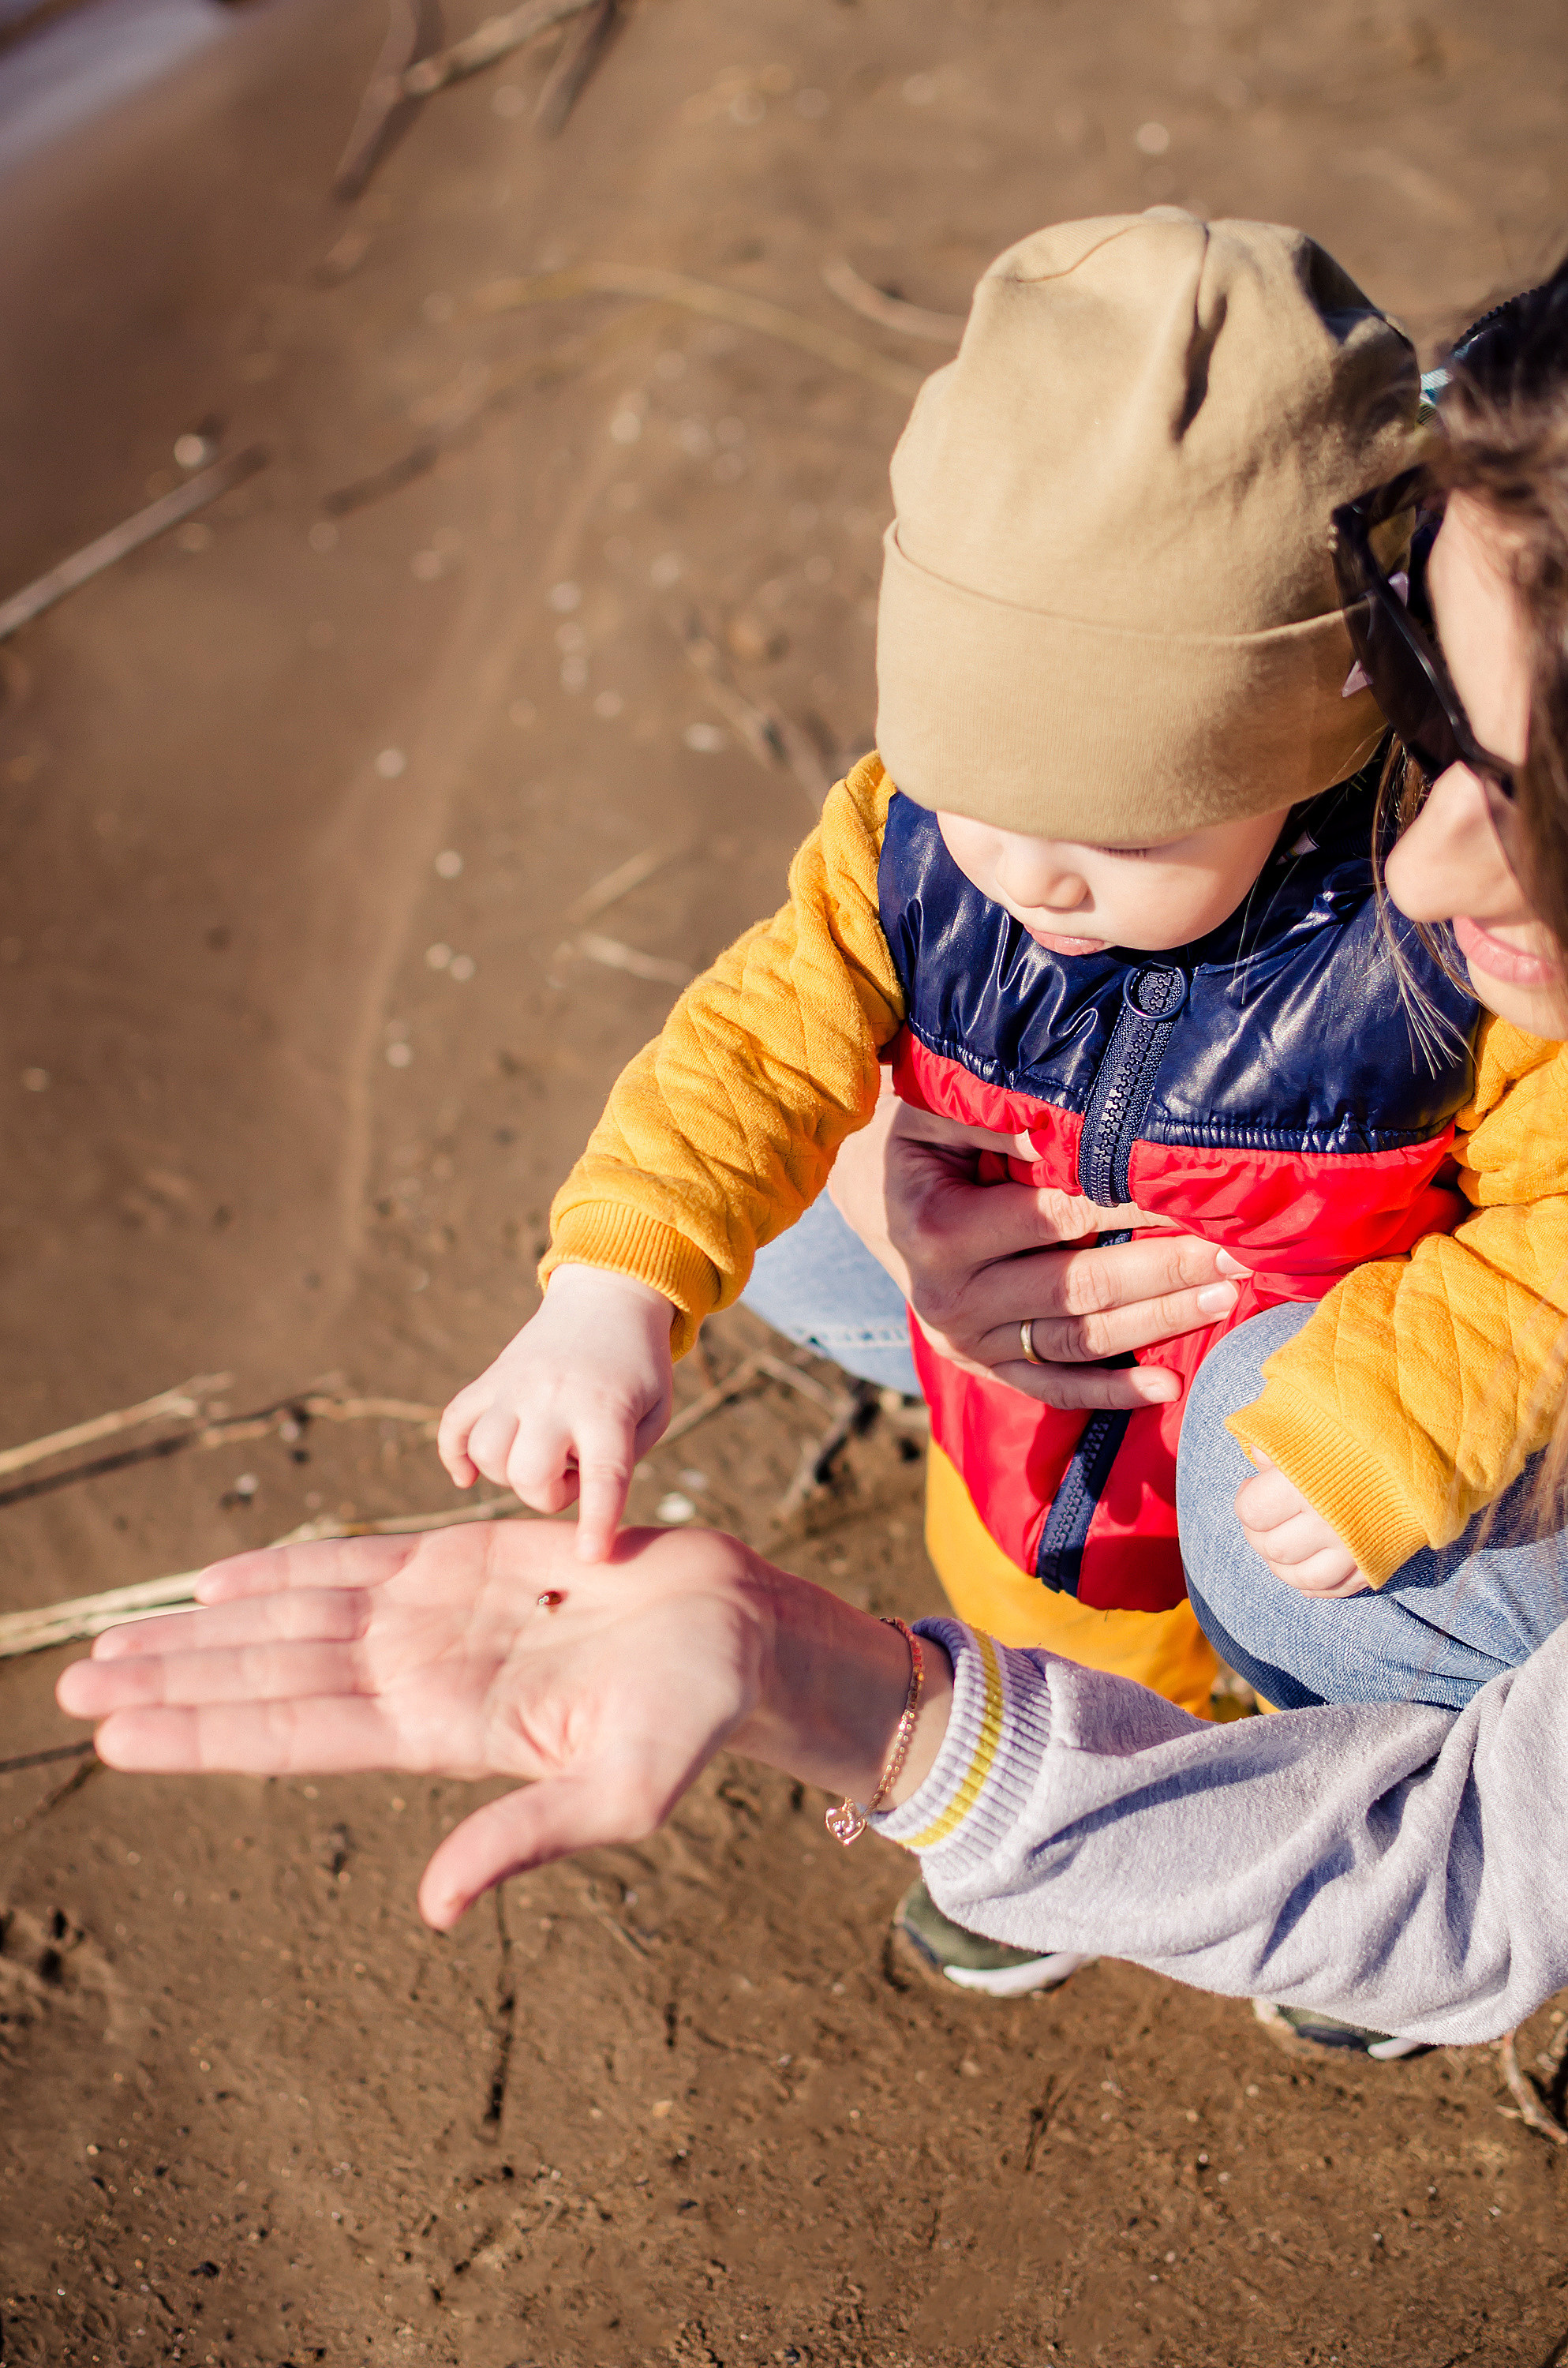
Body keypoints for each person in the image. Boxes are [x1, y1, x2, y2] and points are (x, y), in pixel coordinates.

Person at [438, 209, 1477, 1741]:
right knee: (1034, 1605)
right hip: (1037, 1434)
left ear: (1319, 733)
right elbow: (747, 1050)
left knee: (1316, 1643)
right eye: (966, 791)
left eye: (1120, 833)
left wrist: (1416, 1413)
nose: (1022, 872)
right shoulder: (916, 844)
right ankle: (1076, 1761)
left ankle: (1375, 1816)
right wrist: (611, 1291)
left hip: (1334, 1458)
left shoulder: (1447, 904)